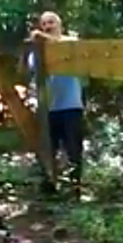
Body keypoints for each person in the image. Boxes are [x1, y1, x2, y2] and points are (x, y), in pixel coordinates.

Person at [27, 11, 84, 194]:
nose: (47, 27)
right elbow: (32, 70)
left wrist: (43, 38)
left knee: (73, 149)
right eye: (44, 24)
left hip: (71, 106)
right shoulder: (38, 51)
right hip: (48, 109)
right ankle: (50, 186)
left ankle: (75, 187)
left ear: (60, 25)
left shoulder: (70, 43)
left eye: (51, 22)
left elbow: (70, 50)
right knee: (48, 149)